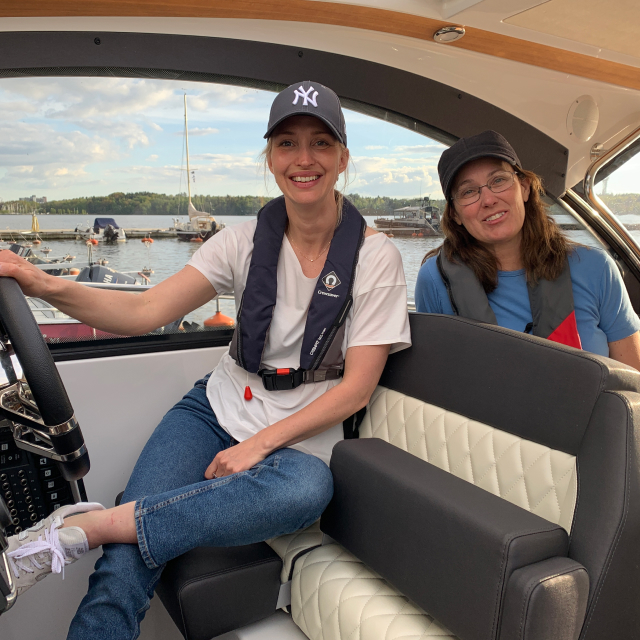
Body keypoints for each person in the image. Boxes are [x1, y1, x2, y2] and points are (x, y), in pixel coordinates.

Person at [0, 81, 411, 639]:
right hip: (212, 411)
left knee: (307, 492)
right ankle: (94, 543)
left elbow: (356, 389)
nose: (304, 159)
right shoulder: (239, 242)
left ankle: (88, 527)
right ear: (270, 159)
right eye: (287, 143)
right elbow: (144, 310)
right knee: (126, 565)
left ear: (342, 158)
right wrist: (35, 279)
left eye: (321, 143)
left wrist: (258, 446)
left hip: (297, 445)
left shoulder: (376, 257)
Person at [415, 130, 640, 368]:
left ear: (524, 187)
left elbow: (634, 382)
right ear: (455, 214)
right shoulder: (434, 281)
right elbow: (432, 377)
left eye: (498, 180)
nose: (488, 199)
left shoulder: (596, 269)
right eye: (468, 191)